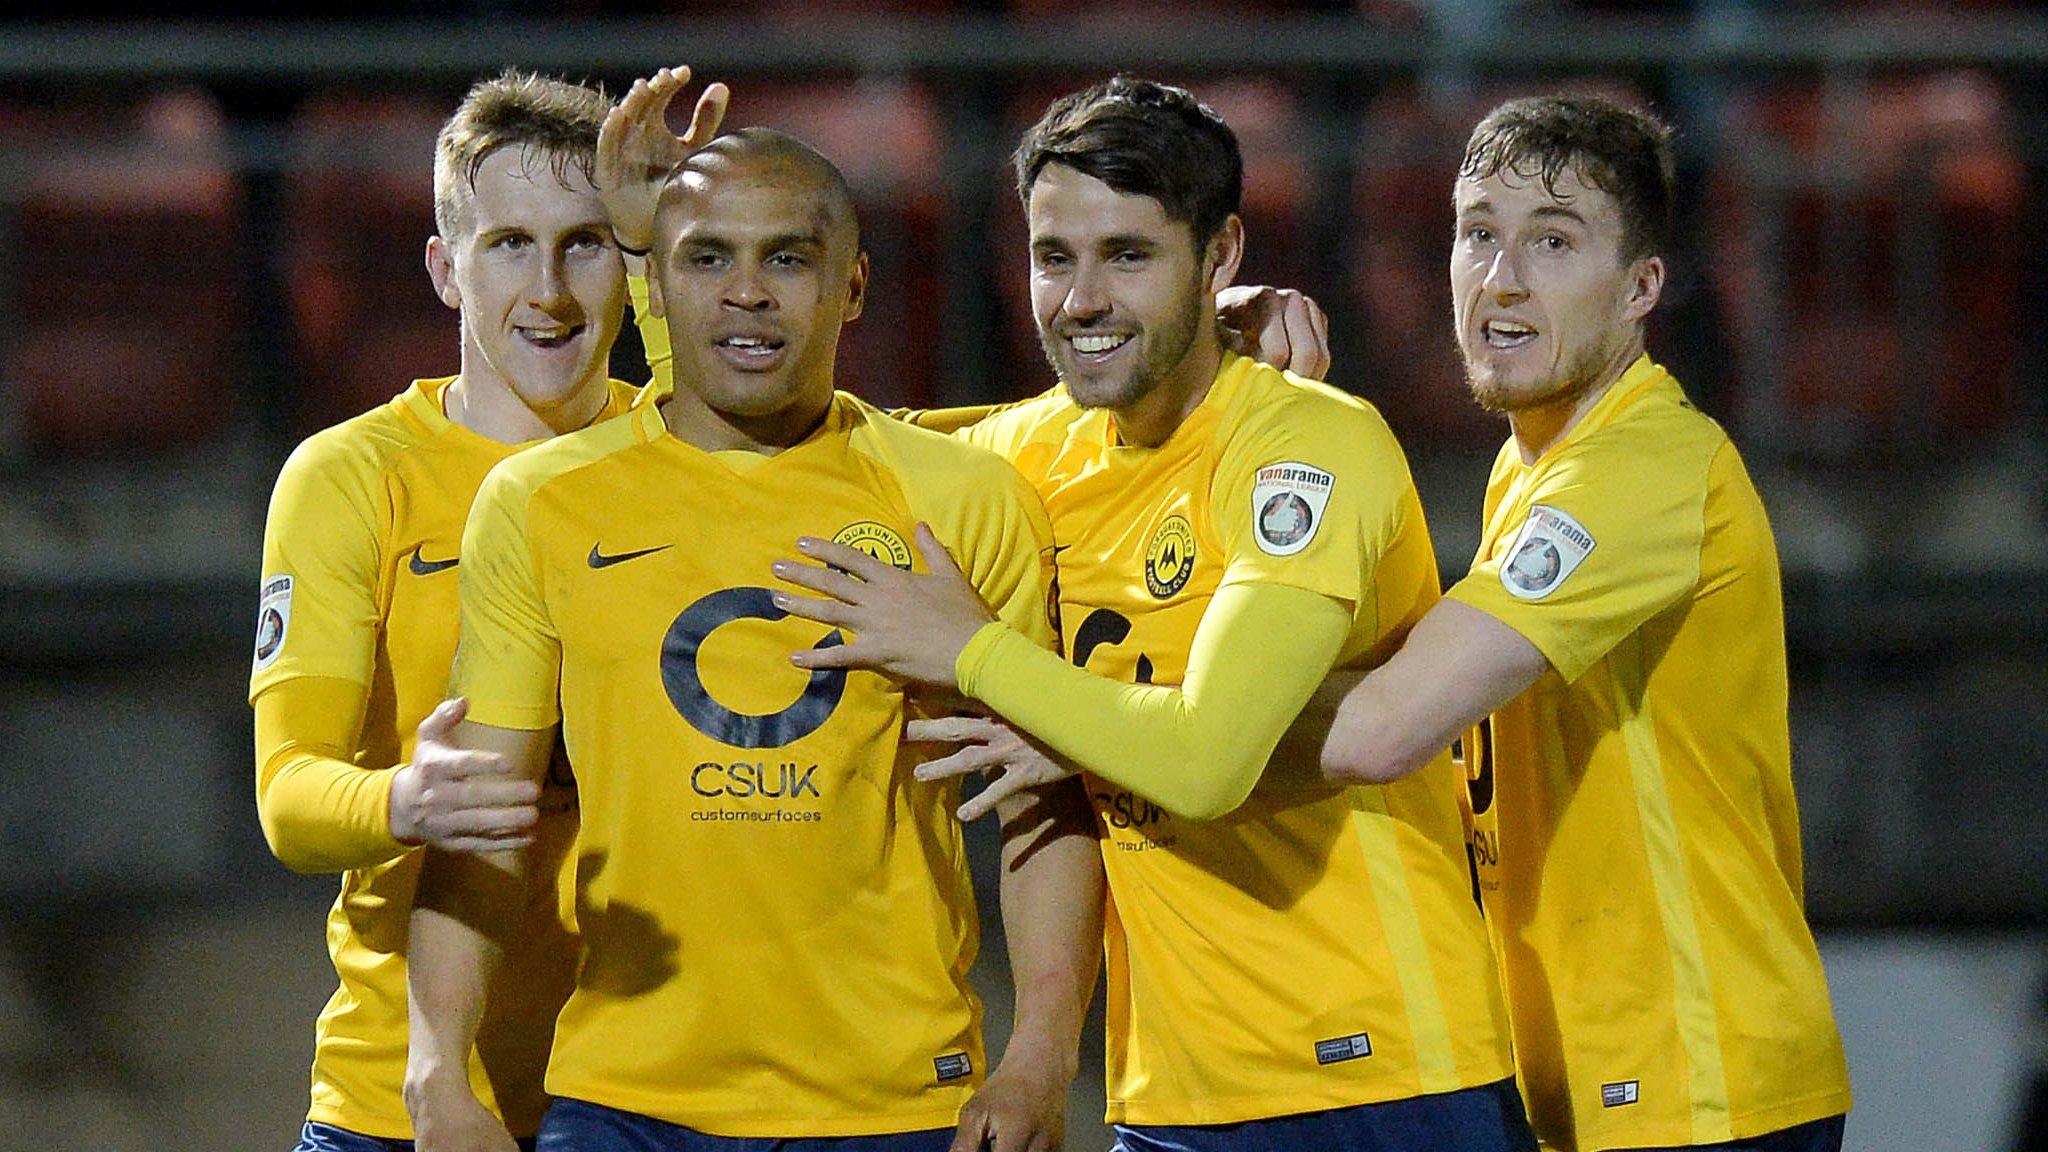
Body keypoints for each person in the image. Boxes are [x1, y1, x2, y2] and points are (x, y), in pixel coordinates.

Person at [773, 75, 1536, 1151]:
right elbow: (787, 451)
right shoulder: (1027, 456)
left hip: (1377, 1076)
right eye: (1053, 257)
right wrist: (638, 264)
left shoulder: (1303, 449)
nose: (1080, 298)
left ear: (1219, 256)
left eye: (1128, 256)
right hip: (1169, 1091)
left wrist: (978, 654)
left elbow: (1203, 763)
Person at [402, 125, 1105, 1152]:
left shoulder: (961, 501)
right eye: (706, 258)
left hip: (899, 1103)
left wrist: (1039, 1062)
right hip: (625, 1102)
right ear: (657, 279)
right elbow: (482, 818)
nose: (746, 292)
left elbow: (1042, 802)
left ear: (852, 286)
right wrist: (438, 1077)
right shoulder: (539, 504)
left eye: (785, 257)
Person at [1303, 95, 1851, 1151]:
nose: (1499, 278)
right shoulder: (1531, 466)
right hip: (1604, 1082)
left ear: (1641, 286)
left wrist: (1114, 732)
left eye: (1551, 242)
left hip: (1693, 1081)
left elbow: (1377, 733)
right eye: (1476, 233)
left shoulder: (1640, 471)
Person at [249, 69, 726, 1152]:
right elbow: (287, 796)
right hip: (401, 1103)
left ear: (632, 259)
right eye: (509, 243)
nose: (550, 288)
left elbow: (910, 445)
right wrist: (406, 802)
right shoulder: (351, 478)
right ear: (444, 270)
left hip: (652, 1102)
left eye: (587, 242)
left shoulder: (692, 457)